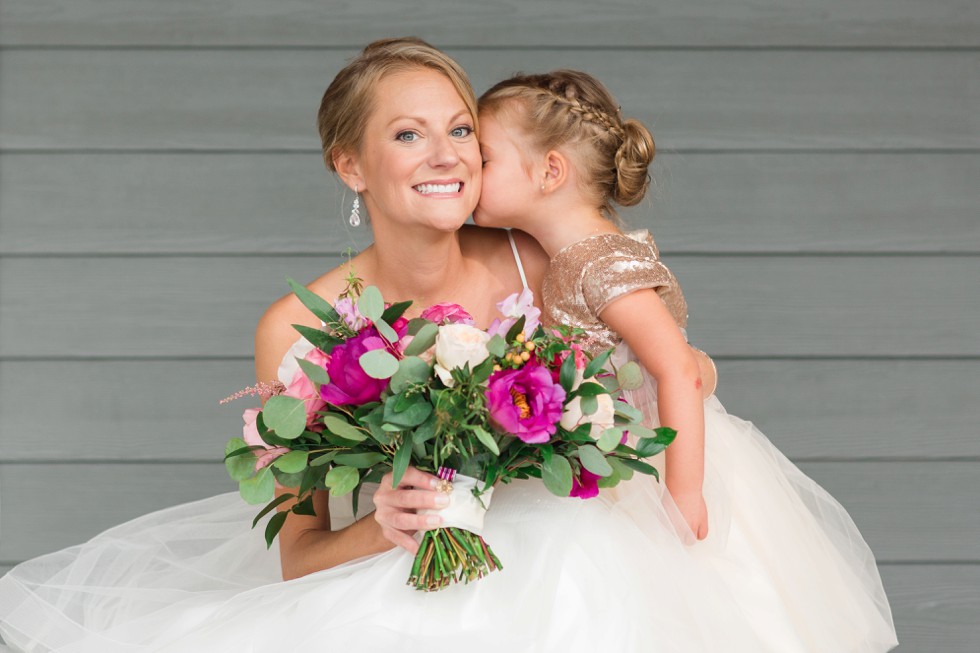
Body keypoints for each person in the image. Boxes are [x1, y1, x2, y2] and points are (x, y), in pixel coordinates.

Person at [0, 40, 886, 653]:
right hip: (407, 577)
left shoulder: (535, 256)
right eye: (407, 132)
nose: (446, 153)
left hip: (587, 559)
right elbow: (299, 551)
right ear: (350, 166)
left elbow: (662, 363)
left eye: (461, 129)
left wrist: (686, 371)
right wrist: (382, 524)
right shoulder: (297, 328)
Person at [473, 69, 900, 651]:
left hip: (655, 456)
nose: (467, 169)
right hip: (612, 447)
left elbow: (678, 368)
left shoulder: (598, 265)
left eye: (484, 157)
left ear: (550, 171)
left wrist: (684, 492)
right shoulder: (574, 254)